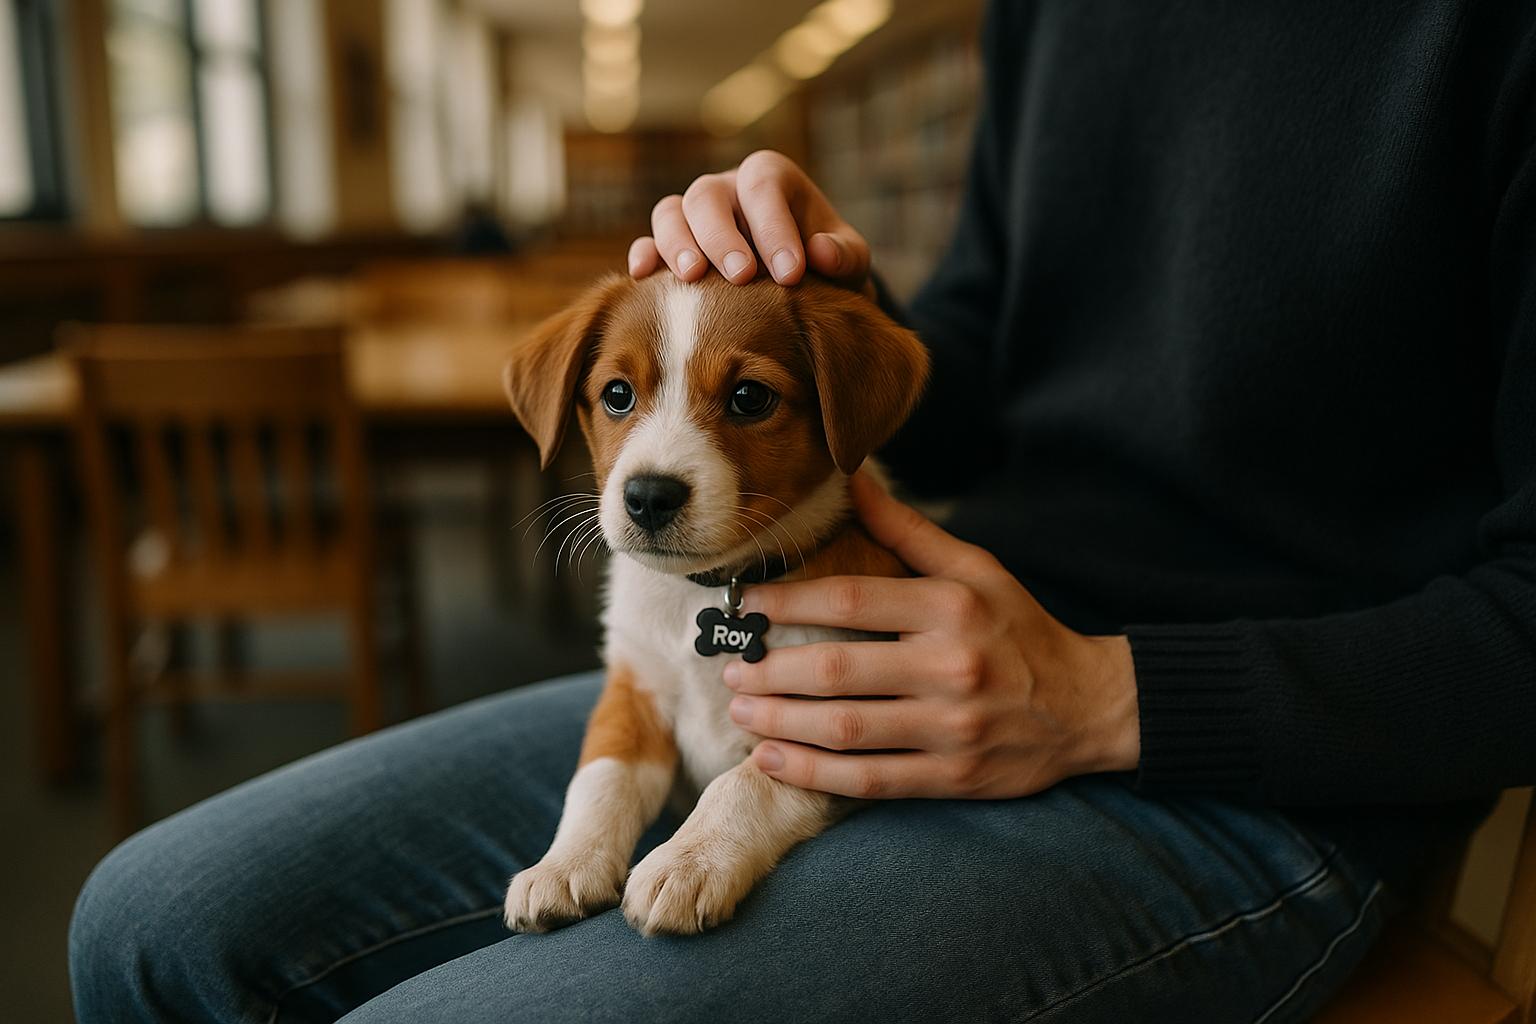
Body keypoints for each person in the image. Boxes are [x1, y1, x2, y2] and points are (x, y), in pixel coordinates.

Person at [70, 2, 1536, 1021]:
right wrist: (816, 291)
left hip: (1246, 768)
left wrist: (1102, 696)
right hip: (907, 653)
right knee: (147, 924)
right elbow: (976, 356)